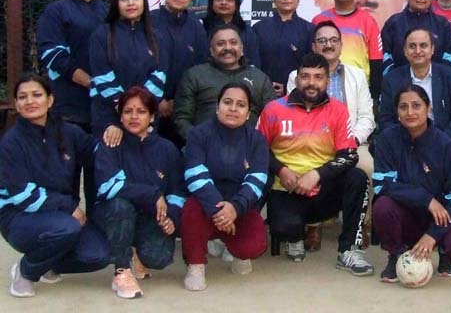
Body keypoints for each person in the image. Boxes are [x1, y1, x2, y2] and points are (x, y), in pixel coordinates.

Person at [257, 54, 372, 276]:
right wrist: (282, 170)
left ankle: (349, 250)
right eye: (305, 76)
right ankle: (295, 236)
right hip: (286, 188)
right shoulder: (273, 109)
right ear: (296, 79)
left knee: (357, 178)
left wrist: (317, 174)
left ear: (327, 82)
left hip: (323, 190)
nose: (311, 82)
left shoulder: (338, 110)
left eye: (318, 77)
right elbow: (257, 150)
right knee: (285, 229)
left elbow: (349, 155)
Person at [0, 74, 109, 298]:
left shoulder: (69, 132)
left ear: (50, 100)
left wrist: (120, 134)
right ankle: (26, 271)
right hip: (18, 217)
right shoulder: (11, 142)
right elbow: (20, 194)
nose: (30, 101)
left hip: (61, 216)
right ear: (17, 105)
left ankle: (45, 265)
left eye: (36, 95)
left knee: (100, 255)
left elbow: (97, 153)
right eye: (22, 97)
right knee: (67, 227)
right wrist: (67, 207)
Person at [372, 85, 451, 282]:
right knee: (382, 206)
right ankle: (396, 254)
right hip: (406, 214)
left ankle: (445, 255)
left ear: (428, 108)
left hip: (441, 217)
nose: (410, 112)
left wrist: (433, 235)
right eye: (403, 107)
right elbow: (382, 185)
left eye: (416, 105)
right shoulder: (387, 139)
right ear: (397, 112)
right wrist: (426, 199)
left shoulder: (446, 146)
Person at [286, 21, 376, 250]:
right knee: (304, 165)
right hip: (309, 144)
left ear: (341, 45)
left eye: (333, 40)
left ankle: (358, 224)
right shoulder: (295, 76)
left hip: (352, 143)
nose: (328, 45)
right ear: (314, 46)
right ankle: (313, 224)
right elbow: (293, 115)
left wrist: (350, 141)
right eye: (322, 40)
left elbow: (367, 117)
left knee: (367, 167)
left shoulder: (356, 75)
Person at [89, 0, 170, 216]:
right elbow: (102, 77)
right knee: (107, 175)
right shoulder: (102, 34)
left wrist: (139, 114)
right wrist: (120, 120)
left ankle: (146, 229)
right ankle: (100, 228)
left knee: (143, 173)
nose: (130, 2)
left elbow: (159, 78)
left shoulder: (157, 36)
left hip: (144, 118)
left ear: (144, 2)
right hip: (109, 118)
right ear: (116, 4)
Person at [93, 87, 183, 299]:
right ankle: (121, 270)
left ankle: (136, 253)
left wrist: (172, 216)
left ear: (152, 116)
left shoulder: (167, 149)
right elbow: (108, 186)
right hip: (112, 214)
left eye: (141, 111)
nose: (134, 116)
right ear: (120, 116)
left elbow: (178, 190)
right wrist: (152, 194)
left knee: (159, 258)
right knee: (120, 205)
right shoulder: (111, 142)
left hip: (149, 216)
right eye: (128, 111)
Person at [181, 82, 269, 291]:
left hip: (240, 206)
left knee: (255, 245)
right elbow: (195, 174)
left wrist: (235, 208)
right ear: (217, 106)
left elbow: (257, 180)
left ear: (248, 113)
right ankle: (196, 266)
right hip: (205, 204)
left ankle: (231, 246)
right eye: (227, 102)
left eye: (241, 105)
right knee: (191, 212)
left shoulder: (256, 140)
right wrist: (220, 210)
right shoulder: (198, 134)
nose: (233, 108)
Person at [36, 0, 108, 129]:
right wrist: (90, 82)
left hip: (105, 104)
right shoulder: (56, 11)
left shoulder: (107, 10)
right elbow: (53, 55)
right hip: (69, 106)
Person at [173, 24, 275, 141]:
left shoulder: (260, 79)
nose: (227, 48)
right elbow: (181, 119)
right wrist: (200, 141)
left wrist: (255, 144)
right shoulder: (194, 75)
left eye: (233, 42)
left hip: (248, 149)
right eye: (220, 44)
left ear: (241, 49)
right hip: (203, 148)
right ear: (211, 50)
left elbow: (272, 119)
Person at [380, 28, 451, 146]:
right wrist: (408, 142)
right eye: (412, 46)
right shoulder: (391, 80)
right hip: (404, 146)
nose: (418, 51)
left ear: (432, 49)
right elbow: (386, 119)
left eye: (423, 45)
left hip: (445, 143)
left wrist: (441, 141)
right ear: (405, 51)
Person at [150, 0, 208, 145]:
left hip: (184, 106)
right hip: (151, 104)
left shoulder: (196, 27)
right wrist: (158, 99)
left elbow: (200, 66)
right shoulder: (149, 21)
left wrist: (179, 101)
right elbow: (141, 63)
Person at [311, 0, 383, 98]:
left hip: (358, 88)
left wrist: (375, 97)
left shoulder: (368, 21)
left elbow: (376, 61)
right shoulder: (318, 20)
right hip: (323, 86)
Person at [253, 0, 313, 98]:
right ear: (274, 0)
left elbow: (310, 66)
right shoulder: (259, 28)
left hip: (298, 94)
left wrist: (288, 87)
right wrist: (266, 86)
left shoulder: (309, 29)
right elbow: (254, 64)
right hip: (262, 94)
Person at [382, 0, 451, 72]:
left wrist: (442, 78)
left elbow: (449, 54)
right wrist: (393, 79)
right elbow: (386, 54)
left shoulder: (442, 24)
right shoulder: (393, 23)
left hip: (436, 82)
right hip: (400, 82)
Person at [201, 0, 260, 69]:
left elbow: (254, 63)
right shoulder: (201, 28)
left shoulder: (247, 31)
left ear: (236, 5)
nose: (224, 3)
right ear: (211, 3)